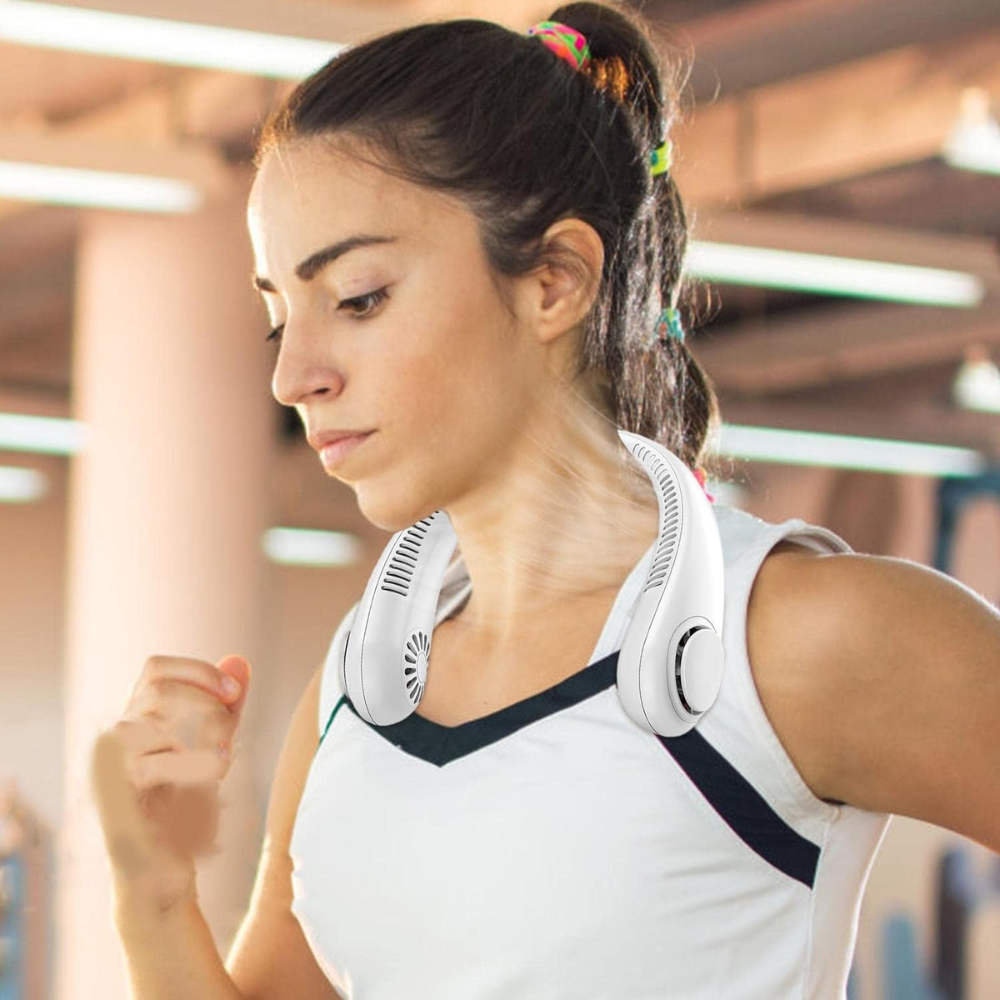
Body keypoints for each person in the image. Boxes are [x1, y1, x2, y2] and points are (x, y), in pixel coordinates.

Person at [92, 3, 1000, 999]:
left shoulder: (794, 637)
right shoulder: (357, 685)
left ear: (554, 281)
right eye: (279, 318)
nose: (293, 375)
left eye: (356, 298)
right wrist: (152, 891)